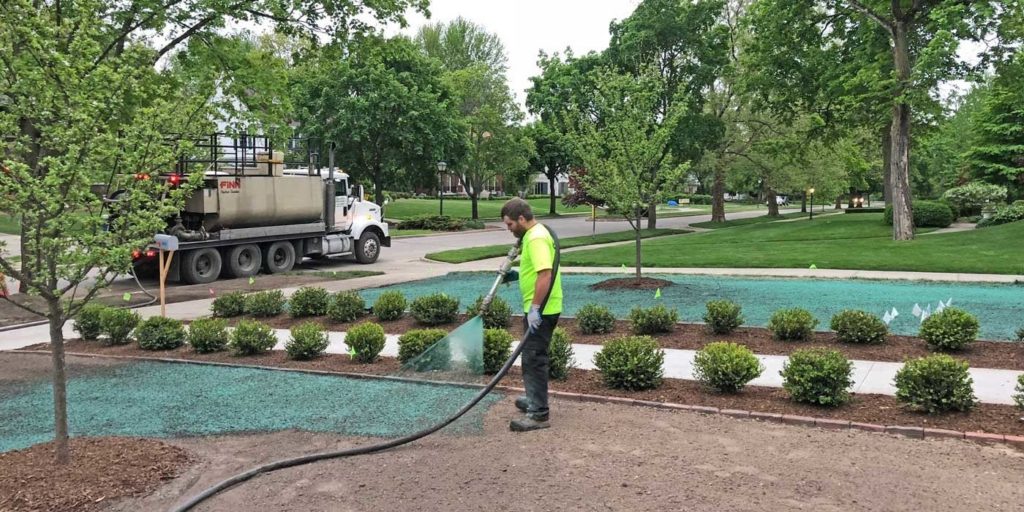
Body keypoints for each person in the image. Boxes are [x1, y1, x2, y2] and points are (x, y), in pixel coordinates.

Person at [500, 198, 562, 432]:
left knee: (534, 359)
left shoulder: (535, 238)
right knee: (532, 356)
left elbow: (545, 274)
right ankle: (534, 399)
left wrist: (536, 308)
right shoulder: (537, 233)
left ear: (522, 219)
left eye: (509, 224)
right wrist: (516, 275)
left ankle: (538, 414)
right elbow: (536, 269)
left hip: (542, 310)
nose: (509, 229)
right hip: (543, 307)